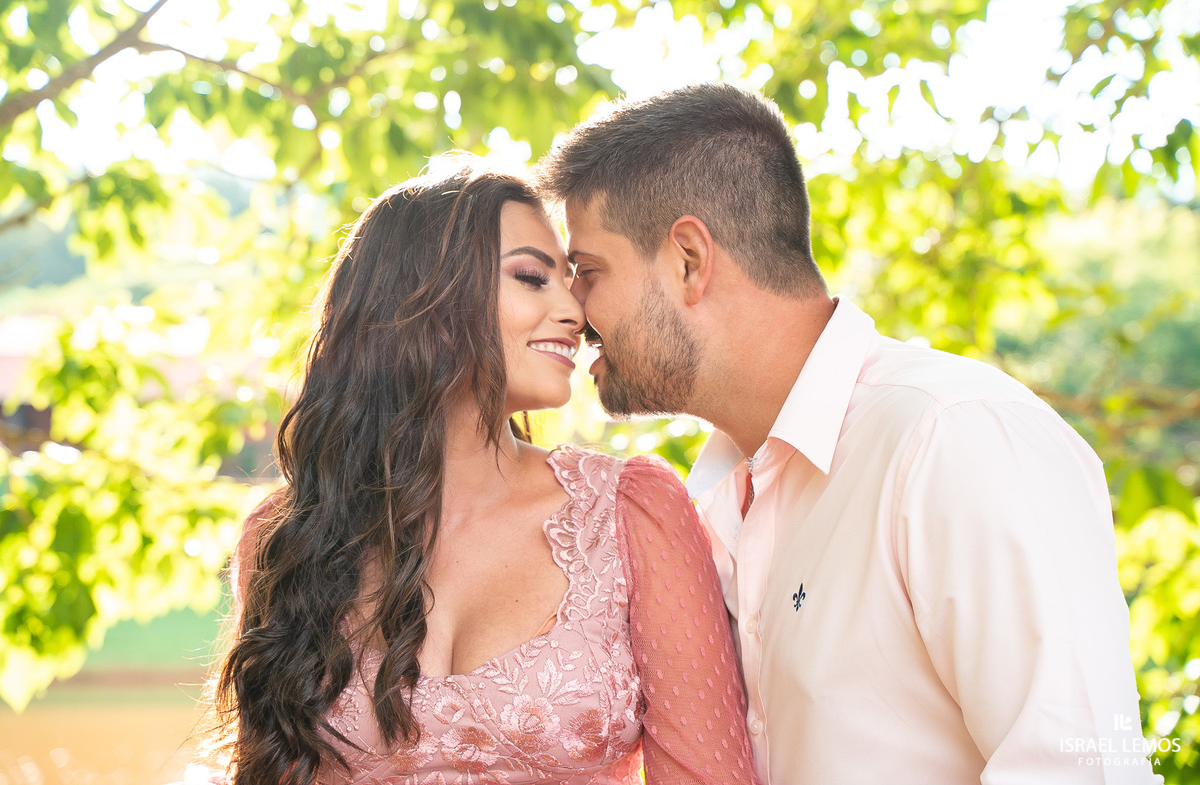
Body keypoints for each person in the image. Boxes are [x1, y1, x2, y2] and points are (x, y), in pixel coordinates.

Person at [536, 84, 1158, 785]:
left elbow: (1081, 770)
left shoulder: (951, 438)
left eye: (588, 272)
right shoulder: (714, 503)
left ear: (688, 259)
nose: (573, 309)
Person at [201, 159, 761, 785]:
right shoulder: (287, 539)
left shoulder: (631, 513)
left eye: (571, 282)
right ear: (420, 299)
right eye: (531, 277)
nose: (575, 313)